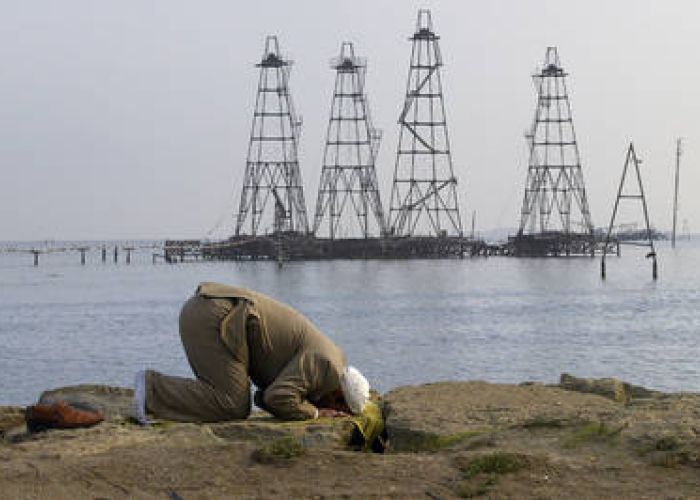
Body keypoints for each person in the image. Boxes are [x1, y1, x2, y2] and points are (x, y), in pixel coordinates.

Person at [133, 282, 370, 424]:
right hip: (216, 318)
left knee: (235, 401)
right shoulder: (325, 364)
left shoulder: (330, 362)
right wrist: (316, 413)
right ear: (338, 396)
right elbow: (279, 398)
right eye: (342, 411)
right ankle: (151, 390)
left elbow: (266, 398)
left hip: (211, 312)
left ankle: (152, 392)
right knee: (232, 404)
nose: (338, 415)